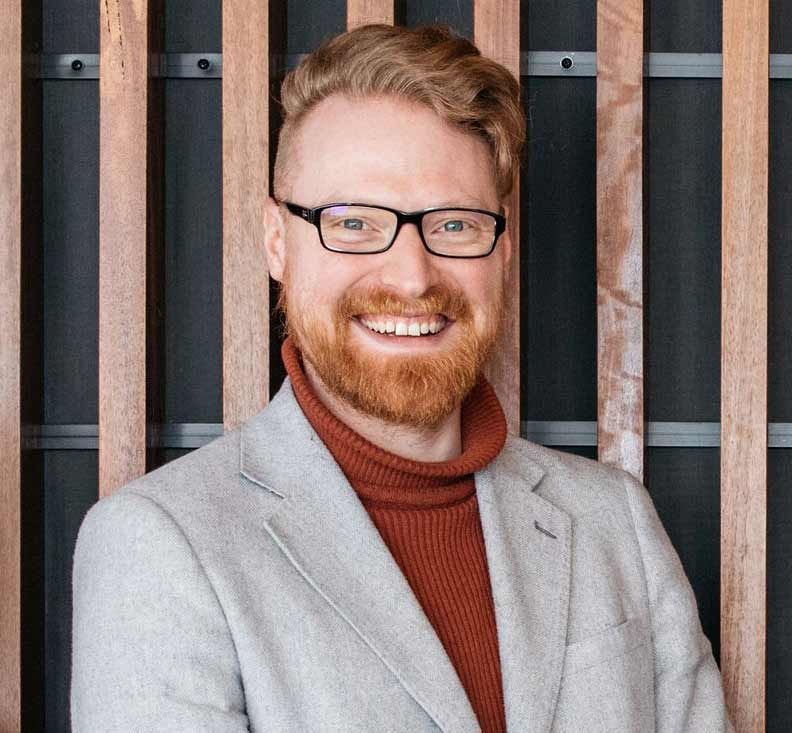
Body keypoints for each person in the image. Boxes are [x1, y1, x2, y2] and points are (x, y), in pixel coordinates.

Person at [71, 23, 733, 732]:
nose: (412, 276)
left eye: (454, 225)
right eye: (353, 222)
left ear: (502, 247)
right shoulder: (160, 544)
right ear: (276, 241)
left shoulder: (615, 521)